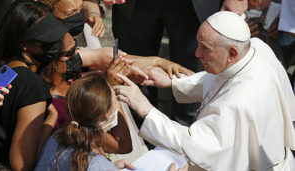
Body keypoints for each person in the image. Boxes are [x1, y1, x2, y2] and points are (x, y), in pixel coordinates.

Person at [114, 11, 295, 170]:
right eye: (198, 44)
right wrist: (174, 82)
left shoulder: (238, 102)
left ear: (232, 53)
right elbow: (222, 77)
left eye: (205, 49)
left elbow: (193, 143)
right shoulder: (255, 48)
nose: (197, 54)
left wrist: (146, 109)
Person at [0, 0, 68, 169]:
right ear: (24, 44)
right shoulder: (33, 86)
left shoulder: (4, 66)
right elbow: (22, 165)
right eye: (46, 39)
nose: (54, 44)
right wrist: (51, 119)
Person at [34, 74, 135, 171]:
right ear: (106, 114)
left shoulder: (57, 138)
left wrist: (109, 166)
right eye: (116, 99)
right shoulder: (98, 165)